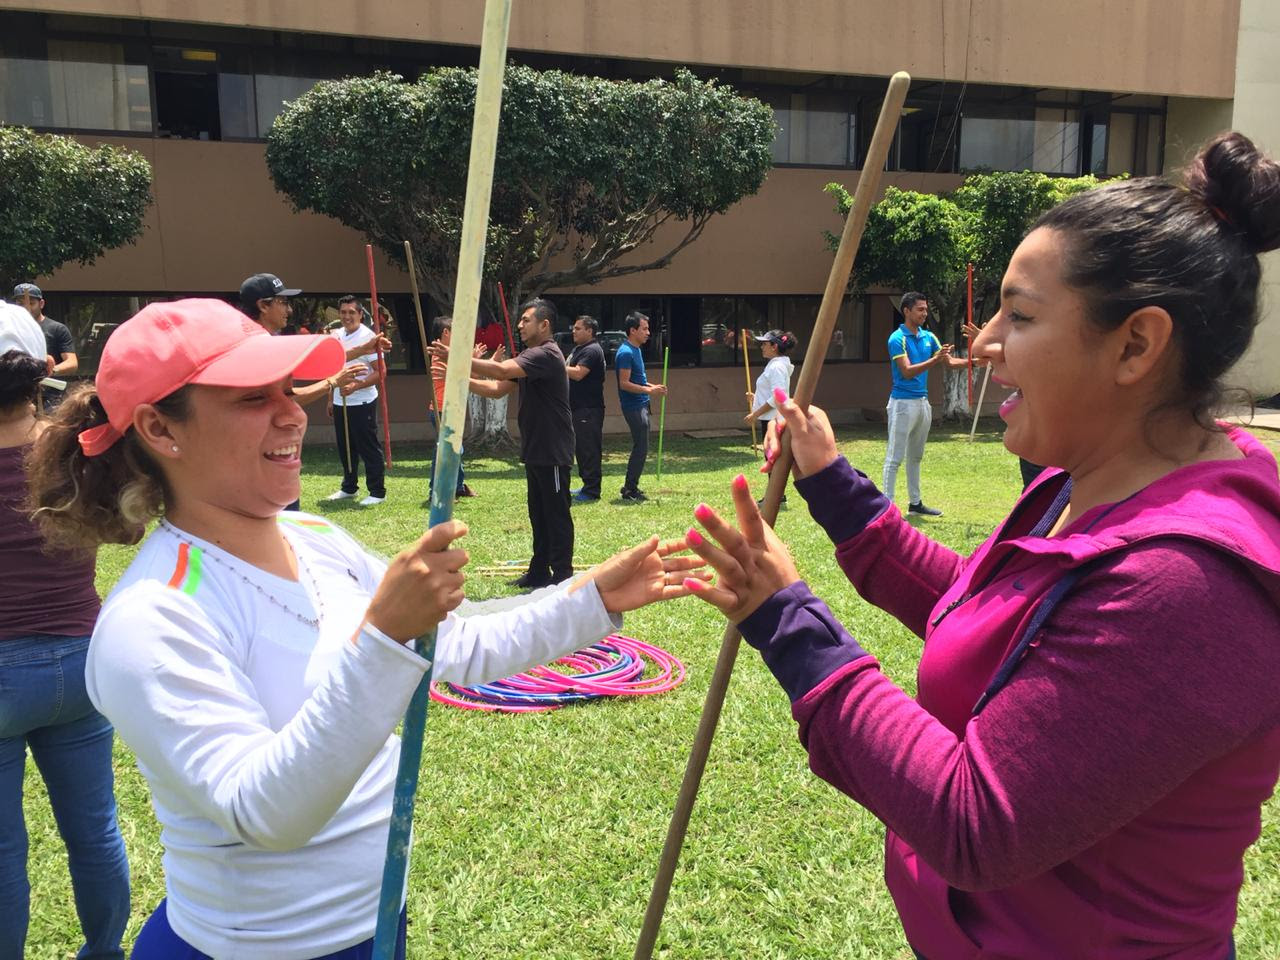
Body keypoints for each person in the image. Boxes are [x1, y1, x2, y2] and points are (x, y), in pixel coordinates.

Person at [681, 132, 1280, 959]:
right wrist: (832, 483)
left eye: (1020, 316)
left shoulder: (1187, 584)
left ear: (1136, 345)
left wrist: (790, 623)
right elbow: (987, 612)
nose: (985, 341)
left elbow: (976, 823)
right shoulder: (1087, 481)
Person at [25, 297, 703, 960]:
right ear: (159, 428)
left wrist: (590, 600)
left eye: (287, 389)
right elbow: (265, 813)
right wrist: (382, 638)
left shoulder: (315, 537)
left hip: (378, 925)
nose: (293, 412)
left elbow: (456, 643)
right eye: (253, 398)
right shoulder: (152, 618)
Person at [0, 303, 130, 960]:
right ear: (40, 370)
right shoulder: (75, 448)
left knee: (2, 853)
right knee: (95, 831)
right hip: (83, 663)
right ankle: (105, 951)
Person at [437, 298, 575, 588]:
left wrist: (457, 358)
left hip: (553, 449)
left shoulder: (546, 354)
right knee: (538, 514)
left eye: (526, 320)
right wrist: (459, 379)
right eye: (520, 320)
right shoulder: (529, 358)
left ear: (544, 325)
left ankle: (563, 575)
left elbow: (499, 371)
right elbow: (497, 389)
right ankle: (539, 571)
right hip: (536, 448)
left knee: (556, 514)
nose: (520, 325)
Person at [884, 292, 971, 516]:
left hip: (922, 403)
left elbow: (949, 363)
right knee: (894, 458)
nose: (925, 313)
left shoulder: (929, 337)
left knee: (916, 456)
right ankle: (887, 509)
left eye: (925, 309)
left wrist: (975, 362)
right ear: (907, 311)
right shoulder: (897, 339)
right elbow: (906, 371)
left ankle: (915, 504)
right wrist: (935, 360)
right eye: (920, 309)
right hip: (902, 404)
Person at [325, 295, 386, 507]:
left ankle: (377, 491)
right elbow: (332, 369)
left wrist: (356, 386)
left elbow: (381, 372)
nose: (347, 316)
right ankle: (349, 487)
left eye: (352, 312)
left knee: (368, 447)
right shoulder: (336, 335)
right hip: (340, 401)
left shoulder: (368, 337)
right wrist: (330, 399)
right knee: (345, 448)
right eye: (343, 312)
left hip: (362, 402)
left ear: (360, 314)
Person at [615, 311, 666, 502]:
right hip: (633, 406)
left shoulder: (635, 349)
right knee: (640, 448)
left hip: (642, 403)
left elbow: (639, 380)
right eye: (644, 329)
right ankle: (629, 489)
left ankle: (631, 486)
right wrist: (650, 391)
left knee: (642, 447)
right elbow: (624, 384)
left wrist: (654, 387)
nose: (648, 333)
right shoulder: (626, 352)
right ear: (633, 330)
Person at [426, 315, 475, 500]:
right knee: (447, 451)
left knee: (454, 448)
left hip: (450, 408)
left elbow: (468, 374)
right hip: (442, 410)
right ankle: (437, 491)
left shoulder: (449, 352)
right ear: (446, 332)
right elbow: (461, 374)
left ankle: (458, 486)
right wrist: (474, 359)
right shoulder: (441, 352)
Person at [14, 282, 77, 410]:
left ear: (41, 304)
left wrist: (51, 370)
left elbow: (72, 362)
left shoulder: (56, 329)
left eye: (31, 303)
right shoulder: (11, 330)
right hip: (18, 396)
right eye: (20, 304)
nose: (26, 308)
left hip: (50, 397)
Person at [566, 314, 606, 502]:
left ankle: (591, 490)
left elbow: (578, 373)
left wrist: (554, 364)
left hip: (588, 409)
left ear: (589, 331)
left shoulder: (592, 350)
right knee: (581, 449)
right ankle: (586, 485)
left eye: (578, 328)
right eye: (573, 328)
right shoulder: (579, 349)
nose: (573, 331)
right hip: (577, 408)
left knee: (589, 449)